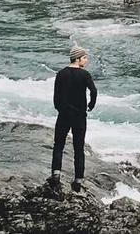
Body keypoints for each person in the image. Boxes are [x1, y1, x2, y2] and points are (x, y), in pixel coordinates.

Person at [48, 46, 97, 193]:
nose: (86, 60)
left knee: (58, 145)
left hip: (63, 115)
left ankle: (56, 174)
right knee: (78, 148)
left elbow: (56, 97)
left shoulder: (61, 74)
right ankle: (78, 180)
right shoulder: (85, 75)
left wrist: (60, 109)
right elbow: (93, 91)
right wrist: (90, 105)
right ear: (77, 58)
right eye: (85, 58)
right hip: (80, 116)